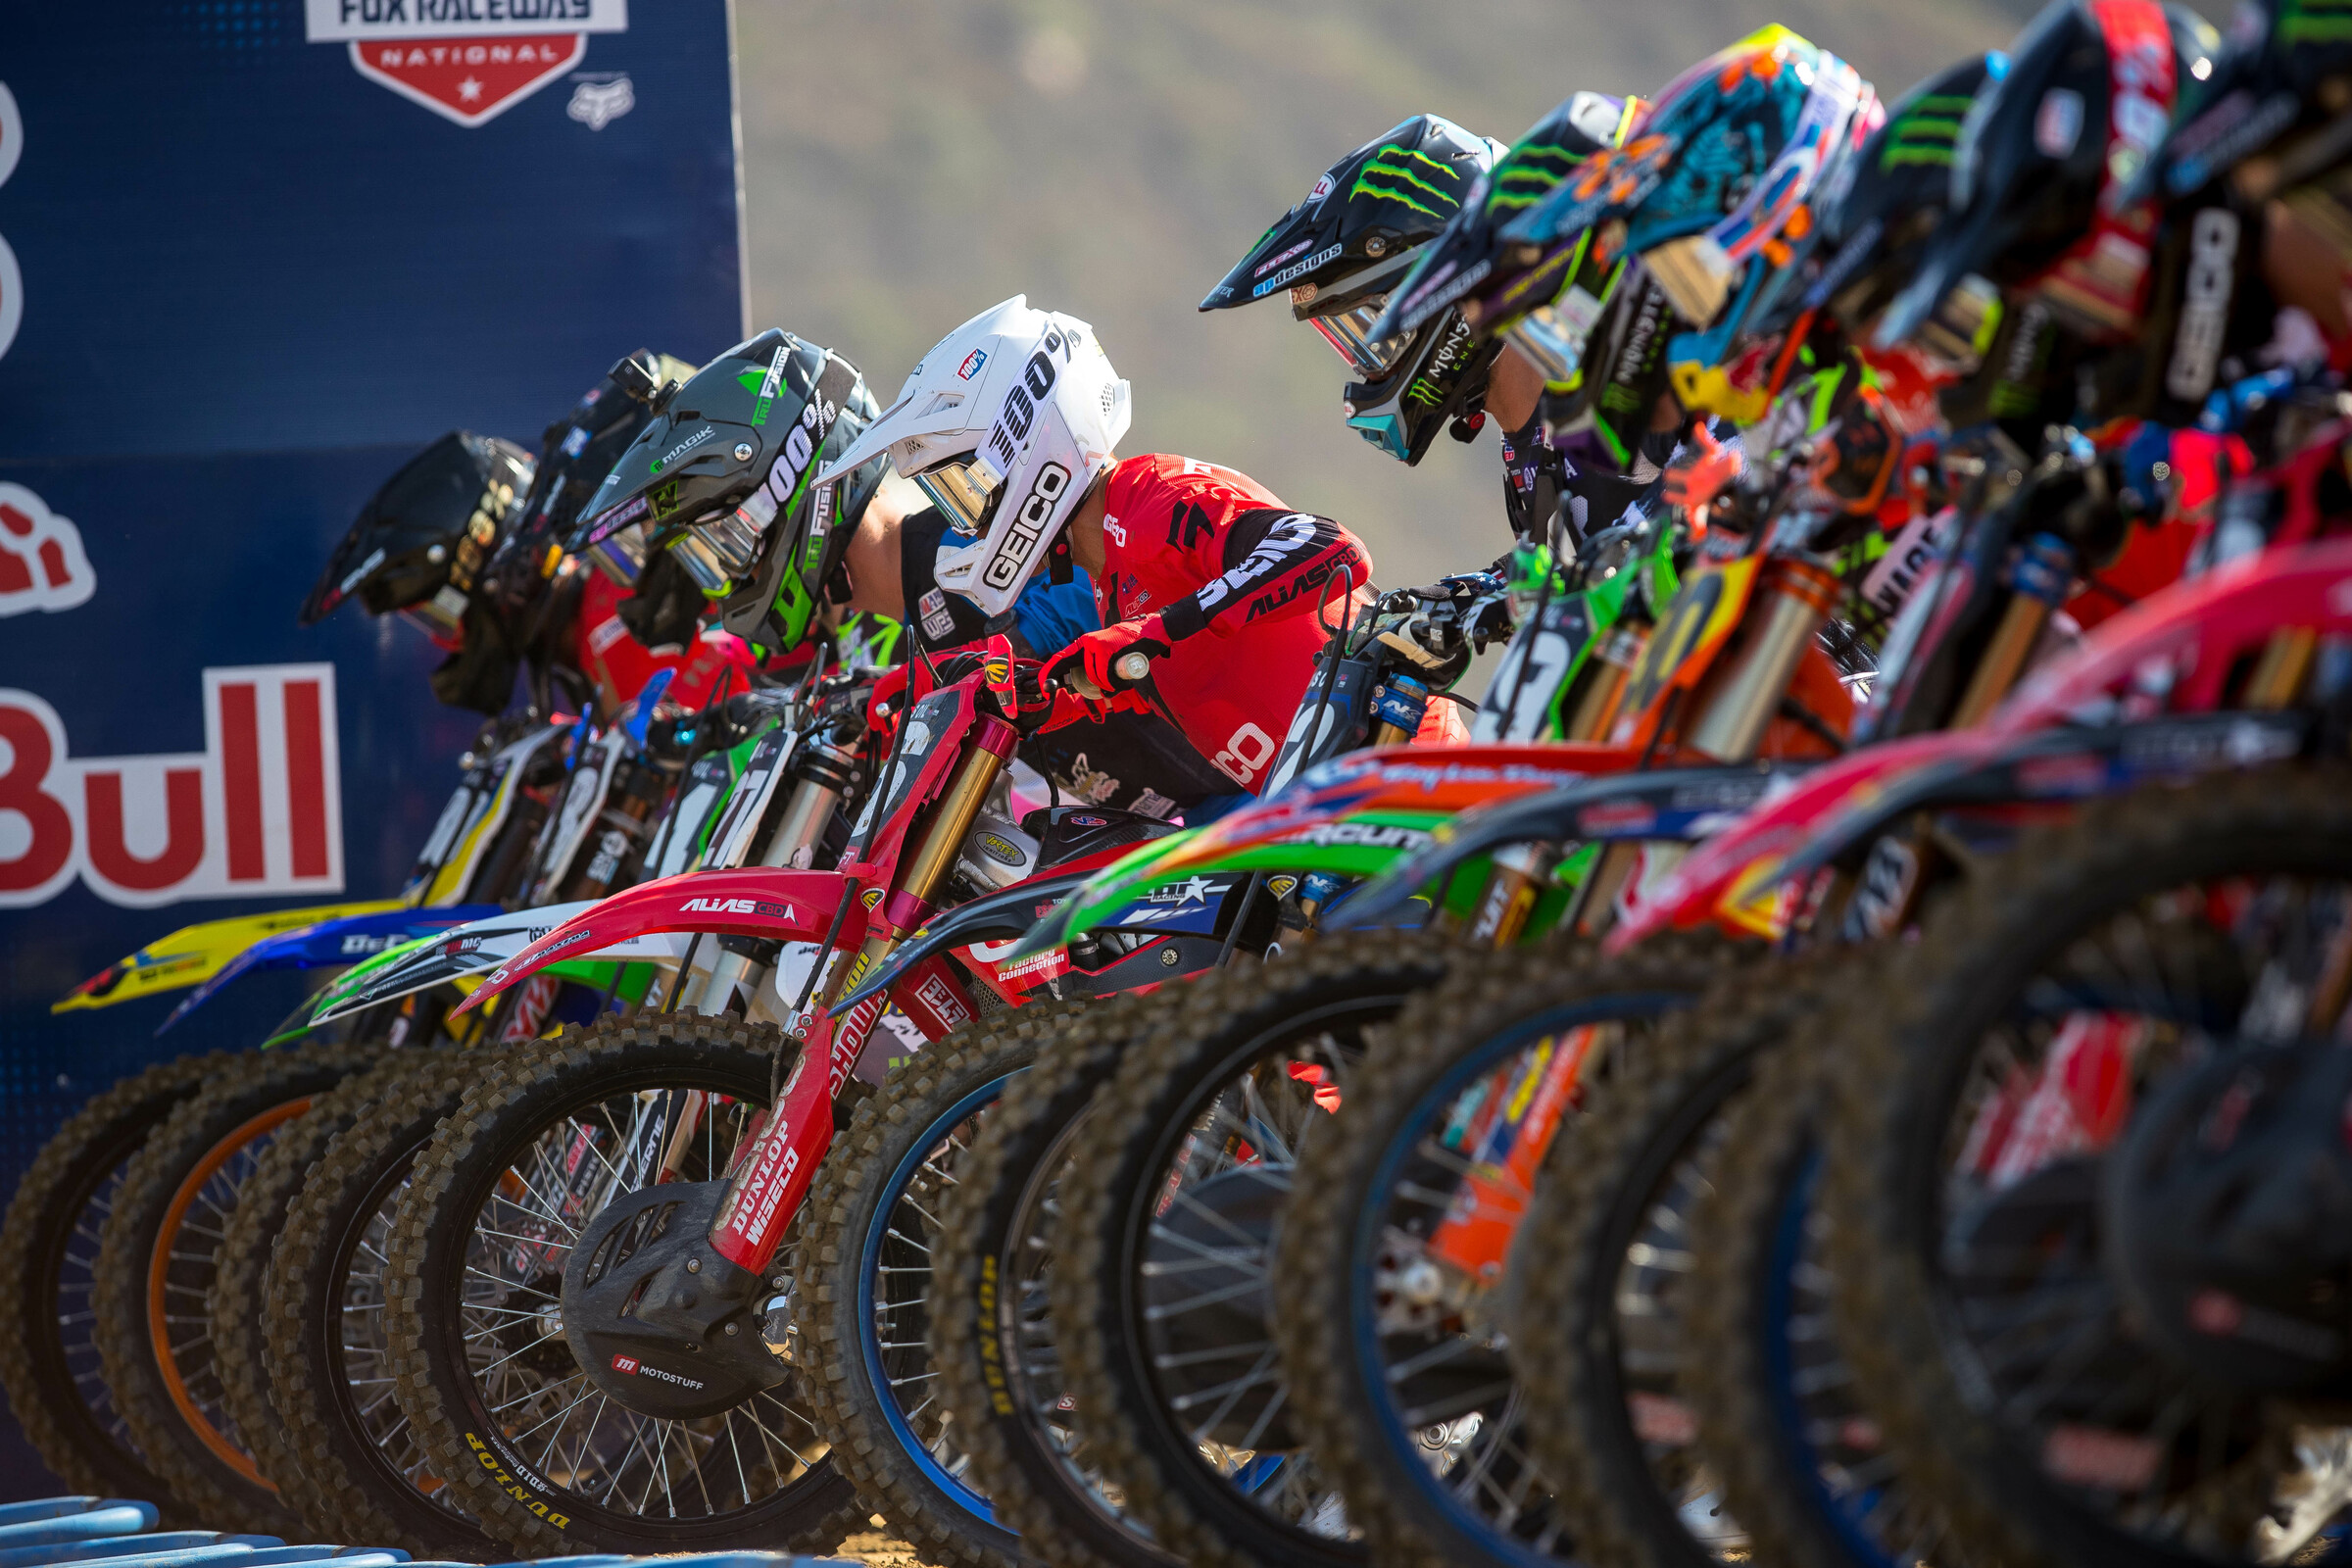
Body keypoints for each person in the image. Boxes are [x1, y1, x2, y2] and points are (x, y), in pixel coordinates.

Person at [812, 296, 1382, 795]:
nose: (968, 523)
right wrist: (953, 690)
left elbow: (1331, 548)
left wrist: (1150, 634)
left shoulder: (1154, 497)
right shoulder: (1111, 582)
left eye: (967, 487)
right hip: (1325, 817)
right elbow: (1121, 679)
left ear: (1021, 445)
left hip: (1398, 773)